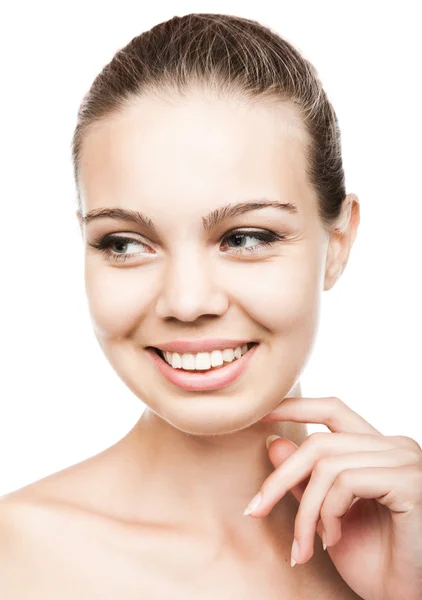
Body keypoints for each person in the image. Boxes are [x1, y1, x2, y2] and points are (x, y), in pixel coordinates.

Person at [1, 13, 421, 600]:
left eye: (246, 238)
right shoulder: (17, 559)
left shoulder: (409, 543)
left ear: (338, 244)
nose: (187, 301)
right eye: (124, 243)